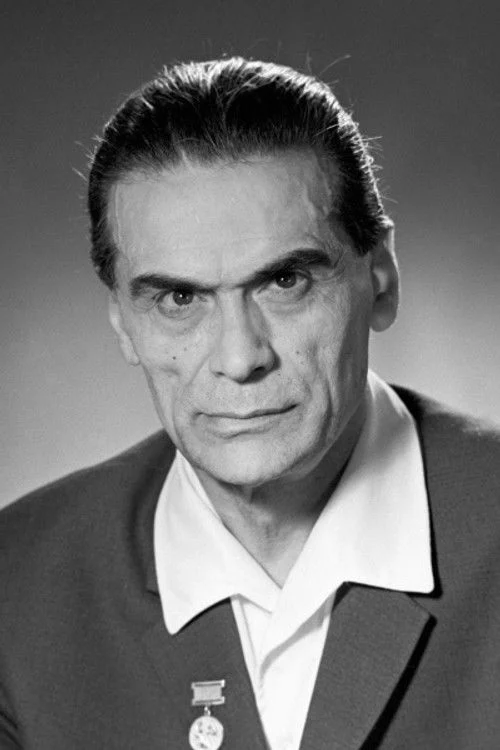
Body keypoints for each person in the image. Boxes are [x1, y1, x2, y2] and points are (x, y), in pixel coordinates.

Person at [1, 57, 500, 750]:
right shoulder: (17, 588)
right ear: (122, 323)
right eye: (179, 298)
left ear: (381, 279)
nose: (240, 359)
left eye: (285, 281)